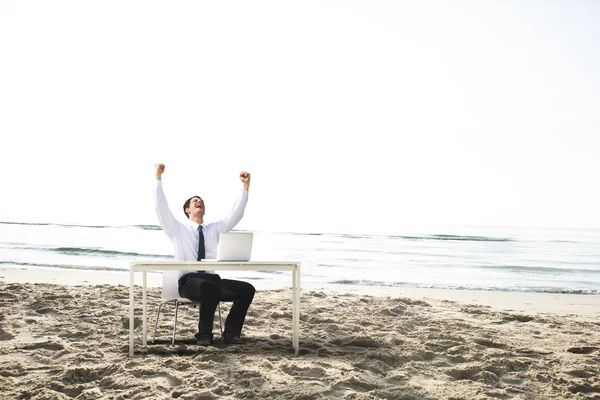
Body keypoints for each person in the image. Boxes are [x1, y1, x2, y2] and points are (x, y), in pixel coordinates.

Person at [153, 163, 256, 346]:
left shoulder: (214, 229)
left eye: (201, 201)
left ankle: (231, 334)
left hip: (212, 280)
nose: (199, 202)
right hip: (189, 282)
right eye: (194, 201)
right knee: (209, 287)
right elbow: (160, 208)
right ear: (187, 210)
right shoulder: (177, 229)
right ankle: (204, 335)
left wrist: (245, 188)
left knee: (246, 289)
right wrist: (158, 178)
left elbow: (235, 215)